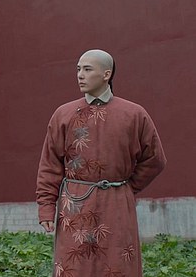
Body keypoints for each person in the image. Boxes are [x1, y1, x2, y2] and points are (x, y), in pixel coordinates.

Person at [36, 49, 166, 276]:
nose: (80, 75)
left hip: (117, 203)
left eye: (87, 69)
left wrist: (127, 187)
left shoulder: (134, 114)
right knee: (74, 266)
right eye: (78, 69)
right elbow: (50, 164)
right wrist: (46, 207)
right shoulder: (64, 114)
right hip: (75, 204)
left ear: (107, 74)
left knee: (118, 263)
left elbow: (155, 159)